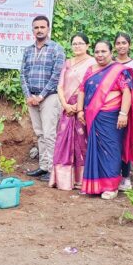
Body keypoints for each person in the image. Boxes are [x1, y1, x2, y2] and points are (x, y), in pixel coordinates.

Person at [78, 40, 133, 199]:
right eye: (97, 52)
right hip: (92, 117)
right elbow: (82, 90)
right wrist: (79, 110)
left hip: (112, 118)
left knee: (111, 150)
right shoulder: (90, 70)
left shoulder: (119, 71)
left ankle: (111, 187)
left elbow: (127, 92)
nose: (100, 55)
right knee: (95, 150)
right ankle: (96, 185)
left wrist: (123, 113)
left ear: (110, 52)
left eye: (103, 52)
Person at [21, 16, 65, 182]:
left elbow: (56, 75)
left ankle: (53, 169)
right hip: (31, 97)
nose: (39, 30)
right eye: (36, 27)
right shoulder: (28, 50)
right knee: (39, 133)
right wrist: (28, 96)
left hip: (49, 97)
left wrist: (41, 96)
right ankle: (43, 166)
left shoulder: (56, 49)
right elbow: (22, 74)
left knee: (49, 133)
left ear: (48, 29)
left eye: (42, 27)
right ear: (32, 30)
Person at [50, 33, 95, 191]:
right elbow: (60, 86)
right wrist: (65, 105)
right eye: (74, 44)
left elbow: (93, 87)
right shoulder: (67, 63)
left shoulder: (93, 63)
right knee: (64, 143)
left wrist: (79, 106)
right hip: (67, 110)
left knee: (83, 143)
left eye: (81, 43)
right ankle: (63, 180)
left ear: (88, 45)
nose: (77, 46)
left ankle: (82, 179)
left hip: (84, 110)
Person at [114, 32, 133, 190]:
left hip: (129, 108)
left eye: (124, 43)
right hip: (111, 109)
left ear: (129, 45)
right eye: (118, 43)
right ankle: (113, 175)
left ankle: (126, 176)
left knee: (126, 142)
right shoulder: (110, 64)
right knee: (113, 143)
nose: (121, 46)